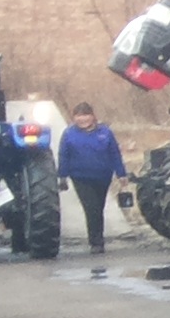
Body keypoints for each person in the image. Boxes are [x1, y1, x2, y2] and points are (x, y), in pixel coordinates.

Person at [56, 103, 130, 255]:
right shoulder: (69, 134)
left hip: (103, 176)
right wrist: (62, 176)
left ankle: (97, 238)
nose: (82, 119)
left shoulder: (105, 132)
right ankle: (96, 242)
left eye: (85, 115)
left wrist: (121, 174)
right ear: (74, 117)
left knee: (99, 208)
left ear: (92, 116)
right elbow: (63, 155)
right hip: (80, 177)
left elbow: (115, 154)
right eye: (79, 116)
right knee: (92, 208)